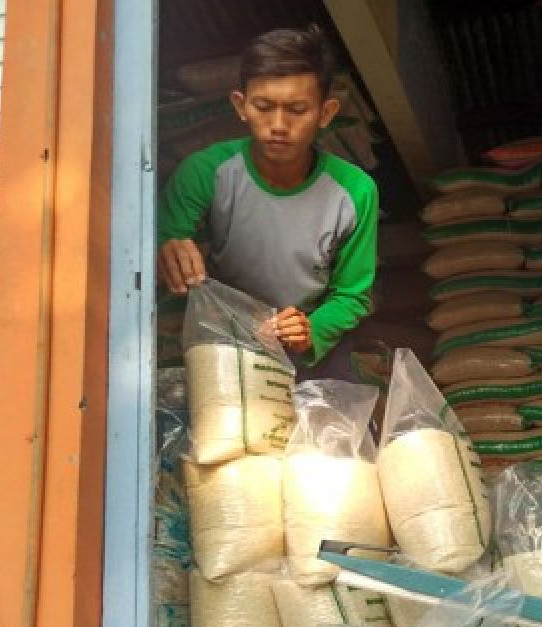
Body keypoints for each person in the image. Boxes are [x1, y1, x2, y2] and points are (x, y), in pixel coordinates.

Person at [157, 26, 378, 382]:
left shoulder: (355, 191)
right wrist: (168, 247)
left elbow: (353, 296)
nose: (278, 125)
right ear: (240, 106)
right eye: (263, 107)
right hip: (225, 337)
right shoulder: (205, 172)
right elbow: (158, 240)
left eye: (296, 110)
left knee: (340, 433)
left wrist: (310, 330)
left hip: (310, 340)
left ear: (326, 113)